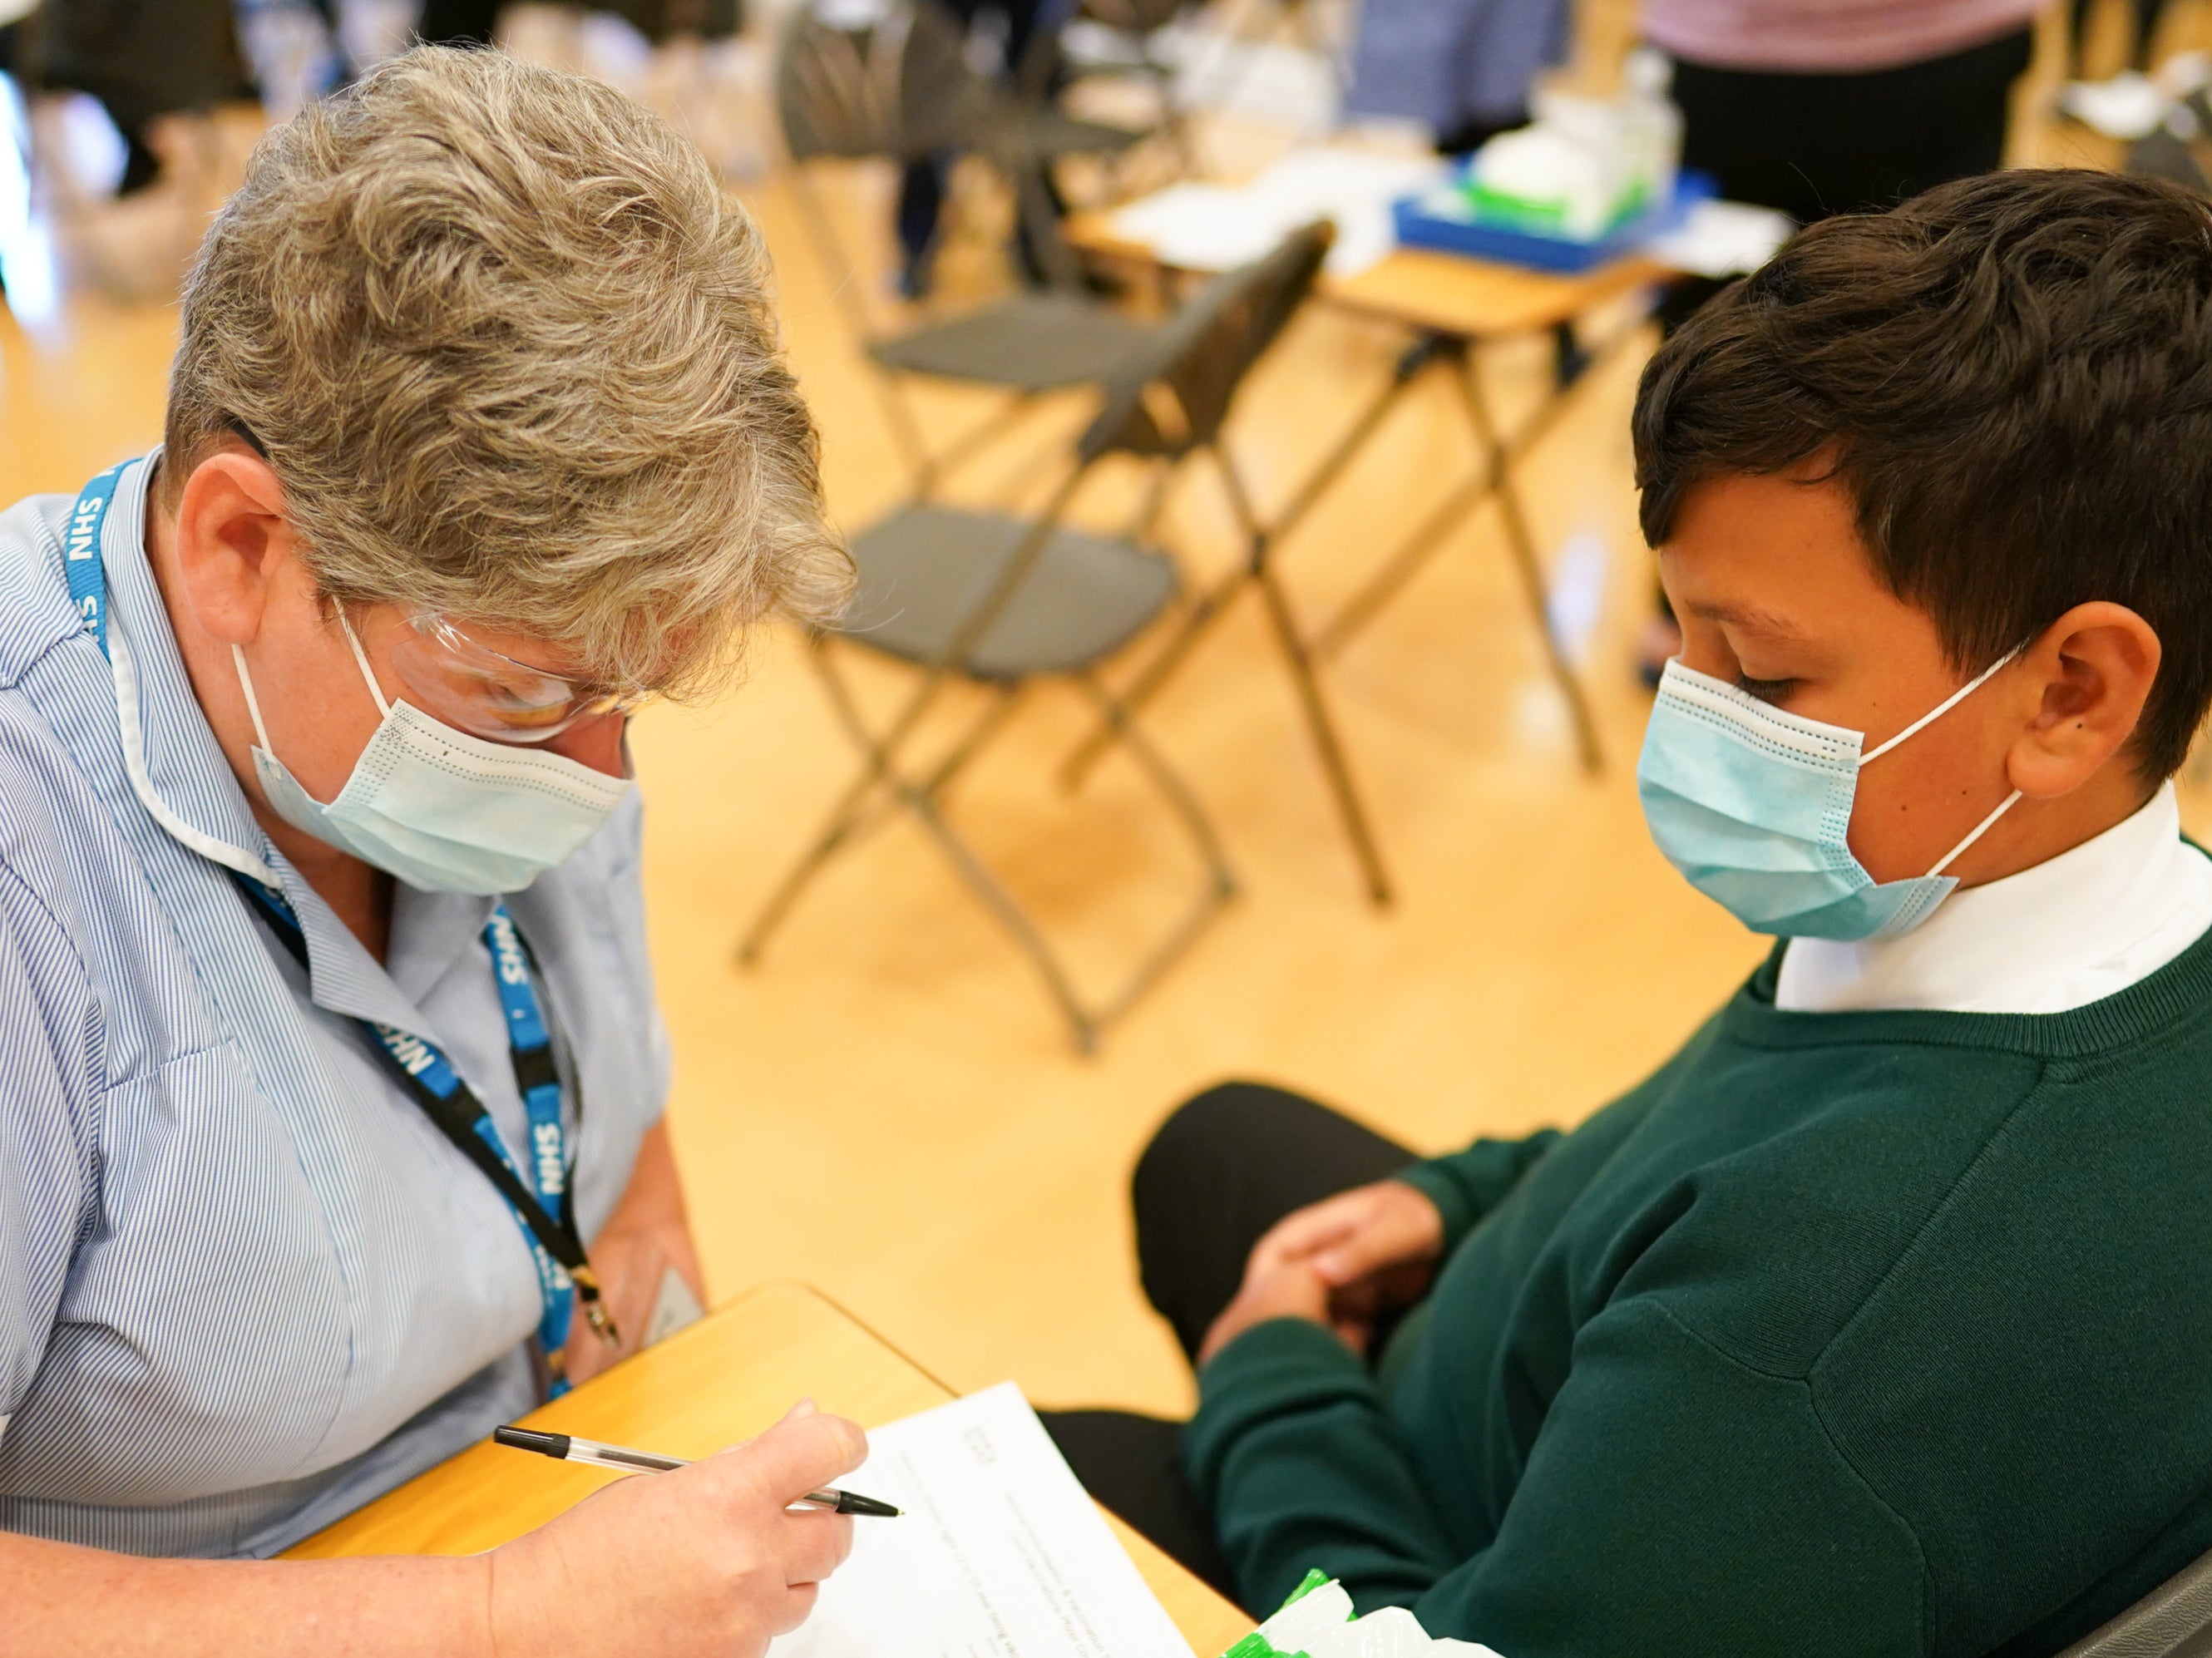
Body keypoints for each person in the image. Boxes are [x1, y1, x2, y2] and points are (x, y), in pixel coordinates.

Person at [1046, 167, 2212, 1656]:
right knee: (1218, 1147)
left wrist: (1271, 1390)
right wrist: (1465, 1200)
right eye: (1677, 632)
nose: (1690, 716)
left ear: (2071, 690)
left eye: (1766, 674)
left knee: (1037, 1471)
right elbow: (1713, 1137)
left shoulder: (1816, 1333)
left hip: (1459, 1552)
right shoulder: (1997, 893)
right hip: (1613, 1414)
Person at [2, 45, 867, 1656]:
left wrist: (648, 1297)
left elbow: (614, 1158)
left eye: (634, 695)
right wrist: (499, 1611)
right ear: (241, 547)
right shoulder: (28, 860)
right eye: (531, 694)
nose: (601, 776)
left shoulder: (511, 703)